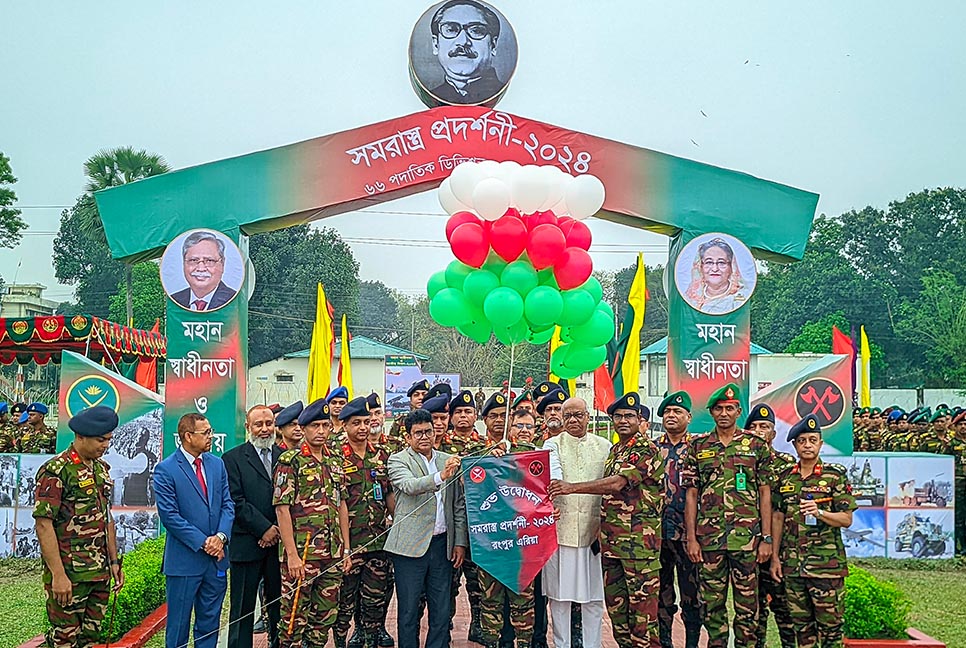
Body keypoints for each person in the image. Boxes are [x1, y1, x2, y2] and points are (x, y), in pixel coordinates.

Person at [550, 393, 665, 648]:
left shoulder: (645, 449)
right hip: (612, 547)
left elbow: (617, 483)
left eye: (629, 416)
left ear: (640, 420)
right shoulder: (615, 450)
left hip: (639, 548)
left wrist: (571, 488)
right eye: (618, 416)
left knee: (643, 619)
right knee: (619, 617)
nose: (623, 420)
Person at [682, 383, 773, 648]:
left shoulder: (755, 445)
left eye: (730, 408)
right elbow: (691, 495)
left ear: (738, 411)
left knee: (747, 608)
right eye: (719, 409)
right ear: (711, 412)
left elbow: (765, 493)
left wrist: (766, 538)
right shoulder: (698, 446)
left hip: (748, 541)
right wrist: (691, 539)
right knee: (712, 606)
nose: (724, 413)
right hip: (709, 541)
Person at [33, 406, 123, 648]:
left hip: (99, 571)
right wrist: (58, 576)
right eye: (100, 440)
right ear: (81, 436)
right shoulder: (57, 471)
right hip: (71, 574)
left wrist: (113, 562)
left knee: (91, 639)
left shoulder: (101, 470)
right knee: (66, 639)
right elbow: (43, 525)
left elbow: (106, 518)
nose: (105, 445)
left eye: (108, 440)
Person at [384, 409, 467, 648]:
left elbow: (458, 504)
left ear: (435, 432)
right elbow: (409, 486)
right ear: (408, 437)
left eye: (428, 431)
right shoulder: (398, 460)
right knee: (409, 611)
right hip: (410, 548)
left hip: (442, 545)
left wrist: (459, 541)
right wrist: (441, 476)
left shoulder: (447, 458)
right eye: (418, 433)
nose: (424, 437)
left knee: (441, 610)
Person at [771, 415, 856, 647]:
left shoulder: (834, 476)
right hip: (793, 566)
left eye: (812, 440)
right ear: (795, 445)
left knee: (830, 629)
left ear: (820, 444)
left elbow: (846, 519)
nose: (807, 445)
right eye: (802, 441)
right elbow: (778, 517)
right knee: (802, 627)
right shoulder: (785, 477)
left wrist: (820, 513)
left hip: (826, 568)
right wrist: (776, 558)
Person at [275, 399, 352, 648]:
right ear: (304, 428)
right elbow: (282, 509)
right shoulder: (291, 460)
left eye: (325, 426)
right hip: (303, 553)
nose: (321, 431)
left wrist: (346, 549)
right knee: (293, 619)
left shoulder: (335, 460)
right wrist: (292, 555)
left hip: (332, 553)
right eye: (315, 426)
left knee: (324, 618)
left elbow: (342, 504)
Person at [154, 413, 235, 648]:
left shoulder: (216, 464)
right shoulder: (166, 470)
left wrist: (220, 537)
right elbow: (170, 516)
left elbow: (227, 505)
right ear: (188, 436)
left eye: (211, 431)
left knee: (209, 625)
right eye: (206, 432)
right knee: (178, 627)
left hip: (216, 561)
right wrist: (204, 542)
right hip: (185, 562)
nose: (211, 436)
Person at [542, 397, 611, 648]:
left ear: (588, 417)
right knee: (559, 598)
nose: (573, 420)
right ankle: (562, 644)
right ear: (561, 417)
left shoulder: (605, 446)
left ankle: (593, 644)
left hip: (594, 533)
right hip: (561, 532)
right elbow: (554, 476)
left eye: (578, 415)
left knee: (593, 598)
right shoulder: (552, 444)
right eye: (568, 415)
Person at [468, 400, 538, 648]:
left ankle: (525, 643)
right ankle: (490, 642)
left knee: (523, 602)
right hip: (491, 542)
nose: (522, 430)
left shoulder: (536, 456)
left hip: (522, 543)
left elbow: (544, 493)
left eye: (528, 426)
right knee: (490, 602)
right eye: (518, 425)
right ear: (510, 428)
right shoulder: (483, 450)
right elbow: (468, 469)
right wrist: (490, 454)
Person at [334, 397, 396, 648]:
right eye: (356, 423)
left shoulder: (381, 454)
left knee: (374, 602)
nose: (362, 427)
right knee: (344, 604)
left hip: (378, 539)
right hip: (348, 541)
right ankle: (339, 641)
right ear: (345, 425)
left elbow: (389, 492)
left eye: (366, 422)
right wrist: (345, 548)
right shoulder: (334, 455)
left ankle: (369, 640)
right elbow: (337, 501)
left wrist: (397, 520)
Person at [223, 405, 283, 648]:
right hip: (247, 544)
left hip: (279, 546)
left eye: (268, 423)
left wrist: (276, 530)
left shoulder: (285, 456)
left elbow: (294, 500)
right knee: (242, 609)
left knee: (280, 605)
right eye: (258, 424)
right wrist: (263, 529)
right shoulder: (232, 458)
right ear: (248, 427)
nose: (264, 429)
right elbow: (235, 501)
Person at [743, 404, 796, 648]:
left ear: (773, 434)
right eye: (752, 427)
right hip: (747, 547)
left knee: (785, 610)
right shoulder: (738, 462)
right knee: (753, 613)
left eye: (764, 427)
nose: (758, 431)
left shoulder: (786, 464)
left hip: (779, 548)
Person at [654, 391, 702, 648]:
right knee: (662, 596)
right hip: (659, 534)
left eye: (677, 412)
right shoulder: (652, 449)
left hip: (689, 535)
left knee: (692, 595)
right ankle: (665, 642)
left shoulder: (699, 448)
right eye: (668, 412)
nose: (671, 416)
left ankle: (692, 643)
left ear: (689, 417)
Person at [429, 0, 504, 105]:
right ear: (436, 44)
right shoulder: (432, 96)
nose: (463, 41)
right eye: (451, 29)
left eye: (476, 31)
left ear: (493, 45)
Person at [170, 230, 238, 310]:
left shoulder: (234, 300)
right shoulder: (175, 300)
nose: (200, 268)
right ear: (184, 263)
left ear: (222, 264)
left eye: (209, 261)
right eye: (193, 260)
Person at [683, 238, 750, 315]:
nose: (715, 269)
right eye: (709, 262)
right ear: (700, 266)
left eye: (721, 262)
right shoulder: (690, 298)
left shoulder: (740, 298)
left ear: (731, 266)